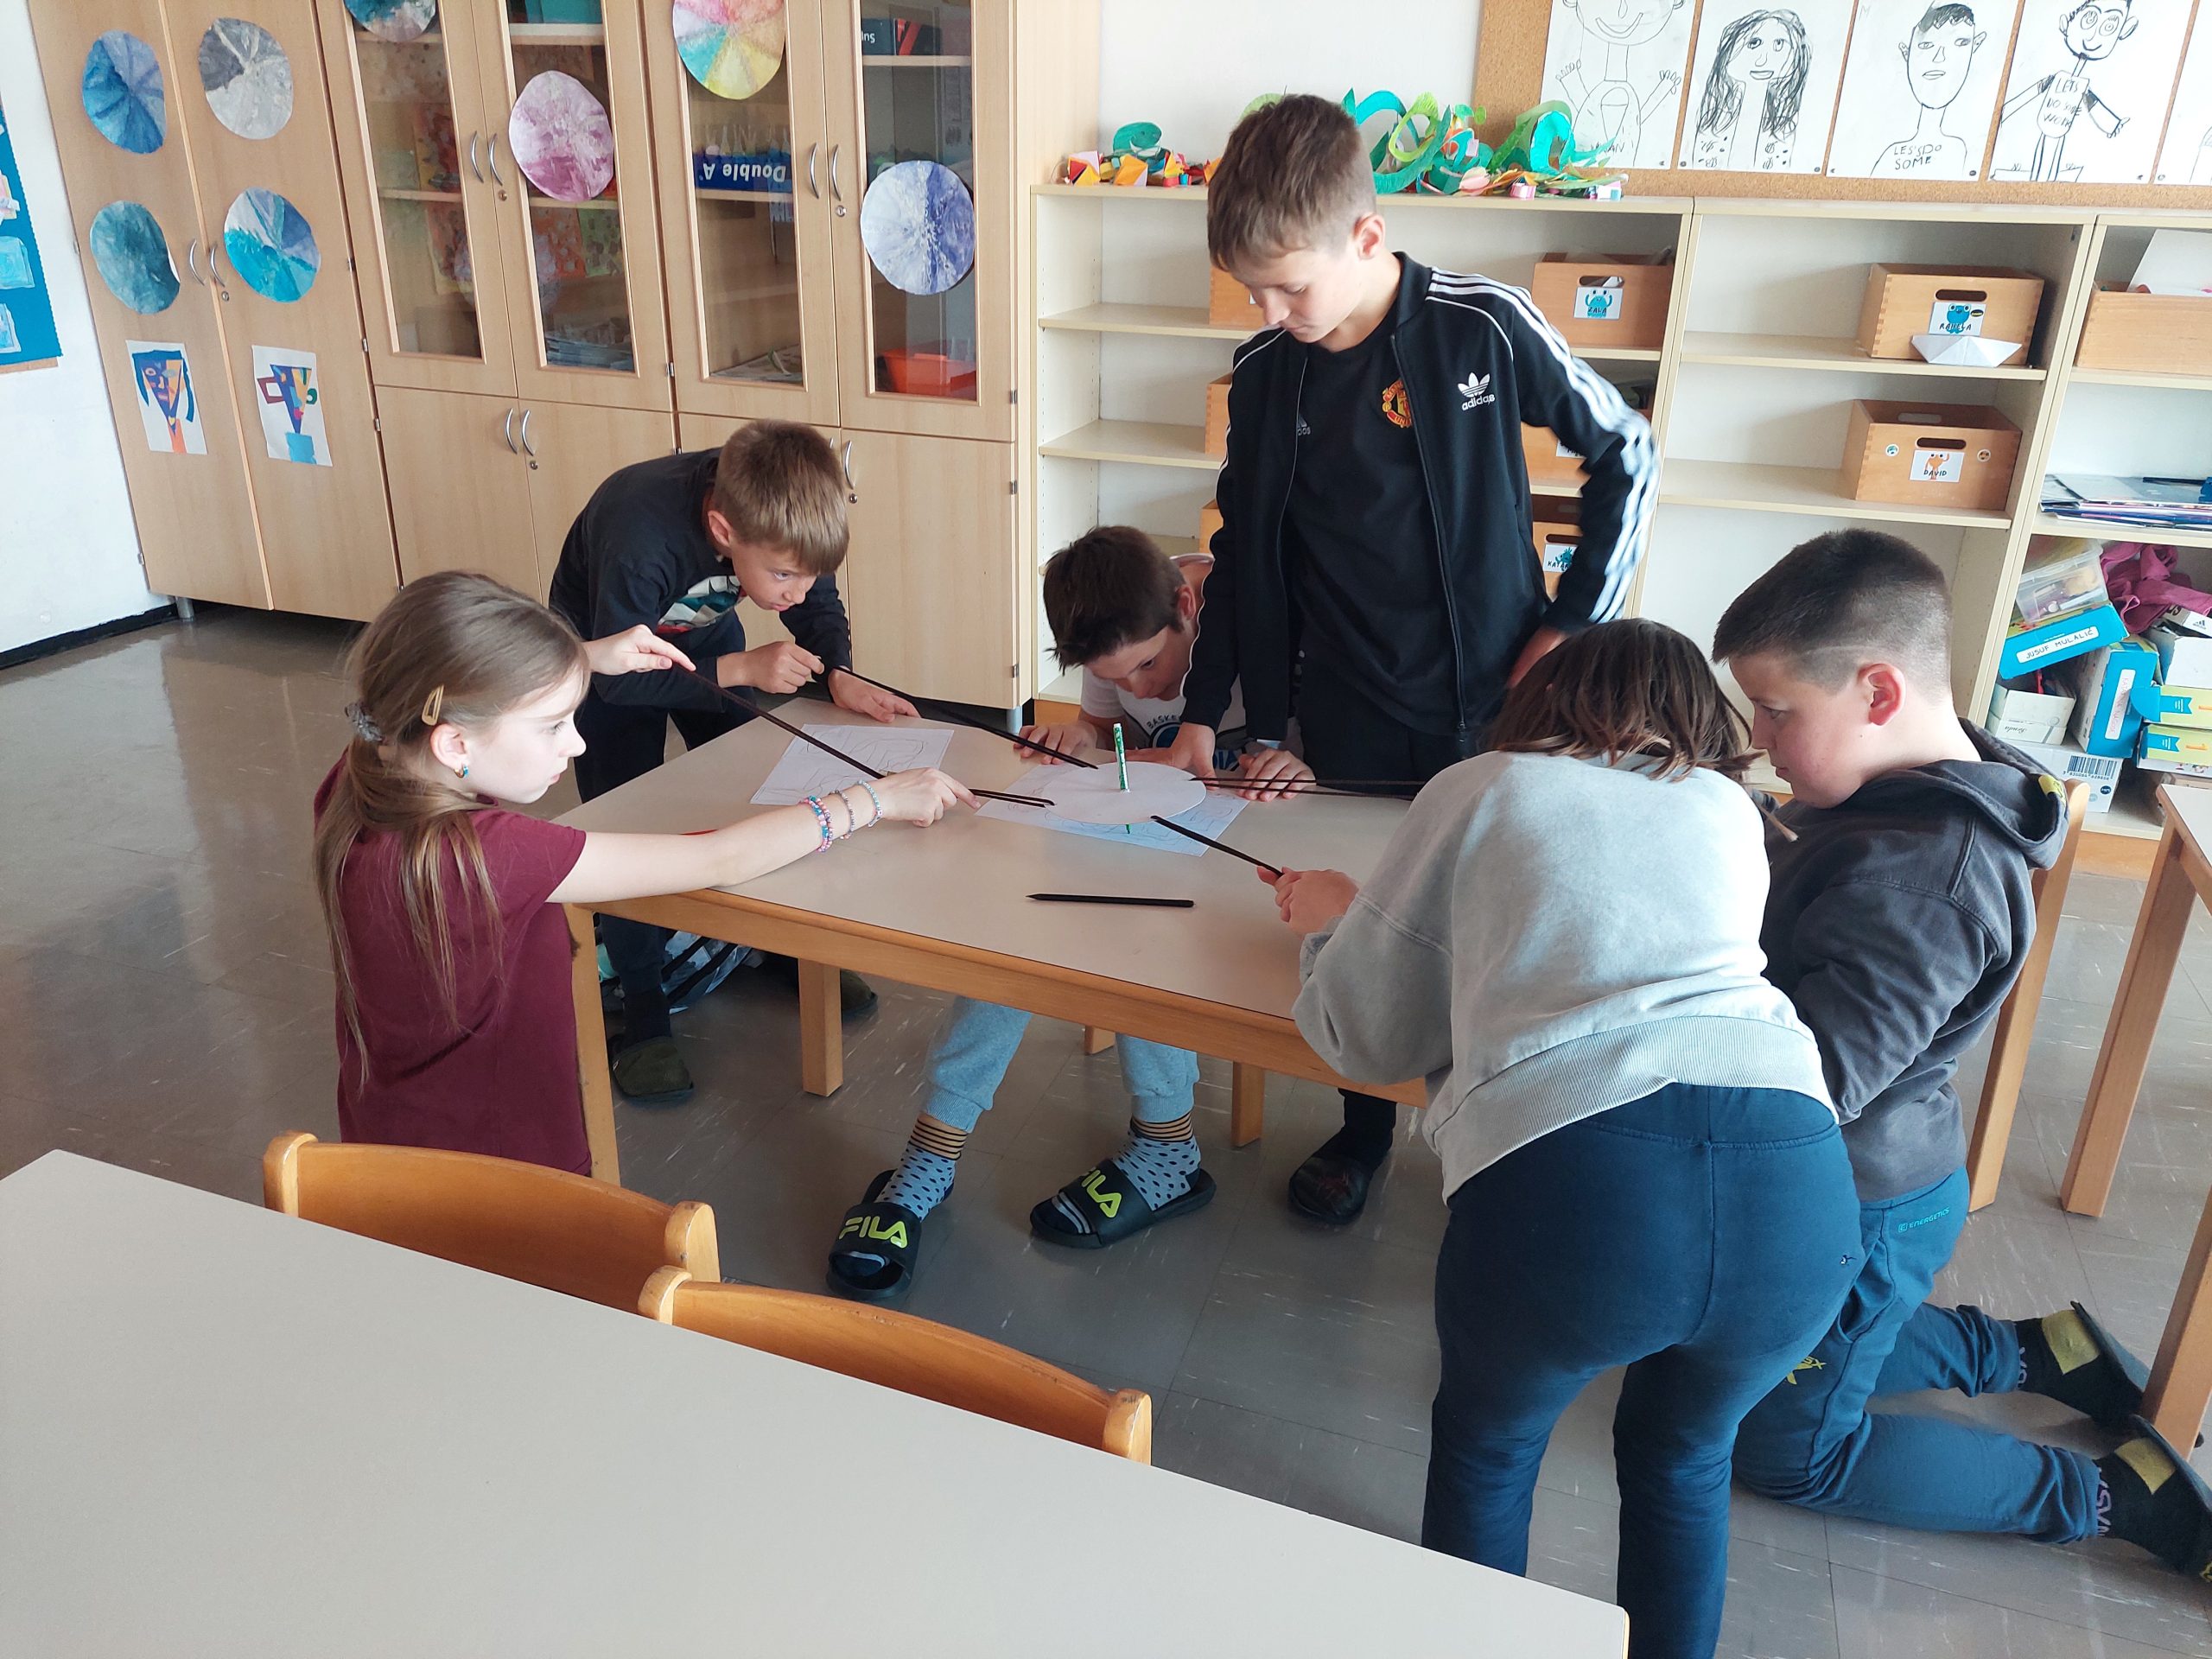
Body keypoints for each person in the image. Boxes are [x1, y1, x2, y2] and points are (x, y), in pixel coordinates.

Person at [1271, 619, 1858, 1659]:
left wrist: (1330, 924)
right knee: (1685, 1461)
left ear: (1543, 700)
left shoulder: (1487, 783)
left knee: (1490, 1450)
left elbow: (1363, 1036)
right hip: (1798, 1182)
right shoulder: (1732, 809)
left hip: (1582, 1185)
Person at [1164, 92, 1657, 1224]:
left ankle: (1505, 1130)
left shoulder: (1481, 326)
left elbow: (1627, 452)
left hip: (1497, 698)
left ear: (1367, 235)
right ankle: (1363, 1126)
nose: (1272, 312)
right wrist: (1207, 711)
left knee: (1502, 911)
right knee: (1368, 919)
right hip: (1348, 701)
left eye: (1290, 286)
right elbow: (1242, 556)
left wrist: (1573, 625)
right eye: (1251, 289)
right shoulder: (1267, 372)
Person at [1716, 530, 2212, 1581]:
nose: (1758, 739)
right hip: (1878, 1182)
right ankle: (2038, 1353)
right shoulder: (1920, 780)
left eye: (1774, 709)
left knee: (1787, 1451)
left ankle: (2108, 1492)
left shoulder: (1917, 886)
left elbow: (1811, 1094)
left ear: (1879, 692)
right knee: (1780, 1345)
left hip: (1852, 1206)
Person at [313, 572, 969, 1175]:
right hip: (500, 1158)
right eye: (552, 726)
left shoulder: (361, 774)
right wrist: (874, 799)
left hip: (392, 1129)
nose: (576, 744)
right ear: (455, 741)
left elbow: (457, 692)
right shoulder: (489, 854)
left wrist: (588, 657)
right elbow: (720, 858)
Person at [824, 527, 1313, 1300]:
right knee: (1014, 940)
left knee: (1145, 941)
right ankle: (931, 1154)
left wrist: (1293, 763)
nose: (1142, 687)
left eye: (1149, 667)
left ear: (1187, 608)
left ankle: (1168, 1147)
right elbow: (1105, 734)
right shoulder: (1114, 625)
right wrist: (1075, 733)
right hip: (1136, 843)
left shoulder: (1255, 626)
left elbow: (1306, 766)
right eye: (1119, 676)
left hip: (1238, 867)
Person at [547, 421, 915, 1107]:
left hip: (700, 633)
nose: (798, 591)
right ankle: (645, 1013)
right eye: (782, 576)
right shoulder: (641, 533)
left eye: (808, 571)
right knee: (627, 828)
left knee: (759, 796)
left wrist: (839, 671)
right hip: (606, 661)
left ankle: (779, 947)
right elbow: (618, 681)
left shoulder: (780, 522)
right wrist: (743, 667)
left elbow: (815, 598)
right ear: (722, 531)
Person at [1869, 3, 1989, 179]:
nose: (1939, 57)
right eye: (1926, 45)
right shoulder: (1891, 157)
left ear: (1974, 47)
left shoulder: (1972, 151)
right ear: (1906, 53)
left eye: (1960, 43)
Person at [1687, 9, 1812, 172]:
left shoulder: (1785, 123)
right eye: (1754, 43)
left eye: (1779, 44)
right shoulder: (1715, 116)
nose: (1763, 60)